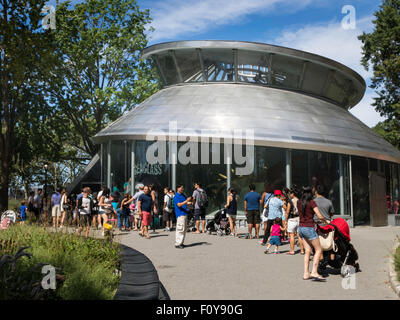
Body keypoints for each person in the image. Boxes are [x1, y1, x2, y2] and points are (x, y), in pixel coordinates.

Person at [297, 186, 329, 281]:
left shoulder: (299, 202)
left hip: (301, 228)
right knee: (318, 249)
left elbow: (304, 215)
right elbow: (319, 215)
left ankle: (306, 273)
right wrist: (325, 221)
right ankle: (314, 271)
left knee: (308, 251)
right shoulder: (311, 202)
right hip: (309, 228)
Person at [286, 186, 304, 255]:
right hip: (299, 219)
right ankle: (302, 250)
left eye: (290, 193)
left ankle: (292, 250)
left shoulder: (290, 202)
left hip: (292, 220)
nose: (290, 195)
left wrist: (285, 221)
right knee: (300, 236)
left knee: (292, 235)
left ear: (293, 193)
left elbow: (287, 212)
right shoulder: (300, 201)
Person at [174, 184, 192, 249]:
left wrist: (190, 202)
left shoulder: (183, 195)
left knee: (184, 229)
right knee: (180, 229)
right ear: (177, 188)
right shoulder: (176, 196)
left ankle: (181, 242)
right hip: (180, 214)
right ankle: (177, 243)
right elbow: (179, 205)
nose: (182, 189)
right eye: (181, 188)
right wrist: (186, 201)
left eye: (183, 188)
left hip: (185, 213)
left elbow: (185, 203)